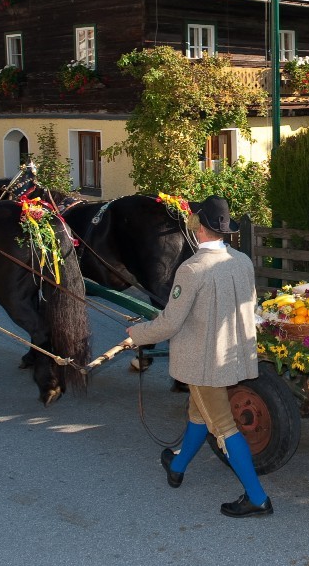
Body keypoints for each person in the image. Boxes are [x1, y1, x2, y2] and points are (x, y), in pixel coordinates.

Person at [124, 195, 272, 518]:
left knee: (223, 426)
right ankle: (177, 467)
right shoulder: (243, 261)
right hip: (231, 356)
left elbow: (169, 323)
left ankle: (257, 497)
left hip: (204, 363)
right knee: (198, 413)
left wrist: (135, 335)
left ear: (199, 228)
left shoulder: (191, 270)